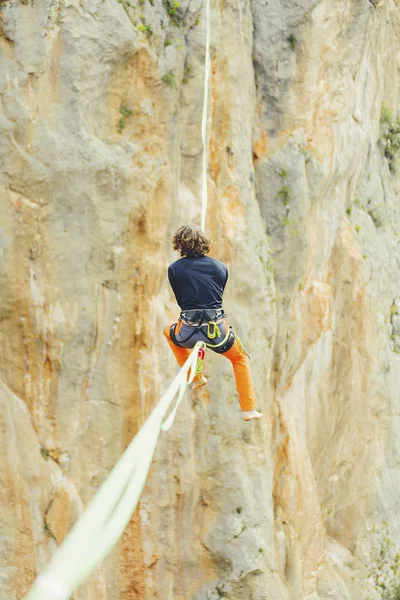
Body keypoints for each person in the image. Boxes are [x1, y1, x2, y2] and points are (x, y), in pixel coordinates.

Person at [163, 225, 263, 422]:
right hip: (217, 333)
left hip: (187, 333)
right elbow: (217, 294)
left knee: (168, 332)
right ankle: (248, 409)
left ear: (179, 245)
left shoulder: (174, 269)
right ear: (205, 243)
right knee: (240, 359)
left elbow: (181, 301)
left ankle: (195, 376)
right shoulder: (220, 267)